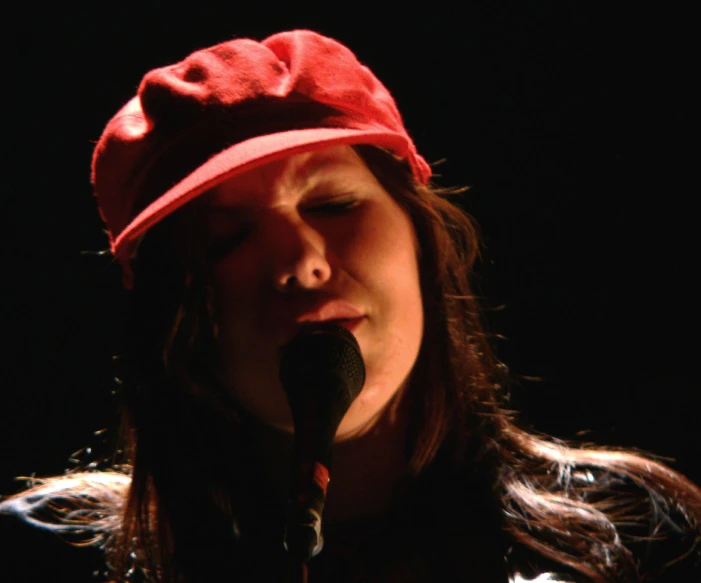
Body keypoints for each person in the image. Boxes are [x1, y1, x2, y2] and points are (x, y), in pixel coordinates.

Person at [1, 29, 699, 583]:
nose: (301, 259)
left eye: (334, 204)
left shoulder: (638, 529)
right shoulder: (40, 552)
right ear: (170, 319)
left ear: (423, 242)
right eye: (225, 239)